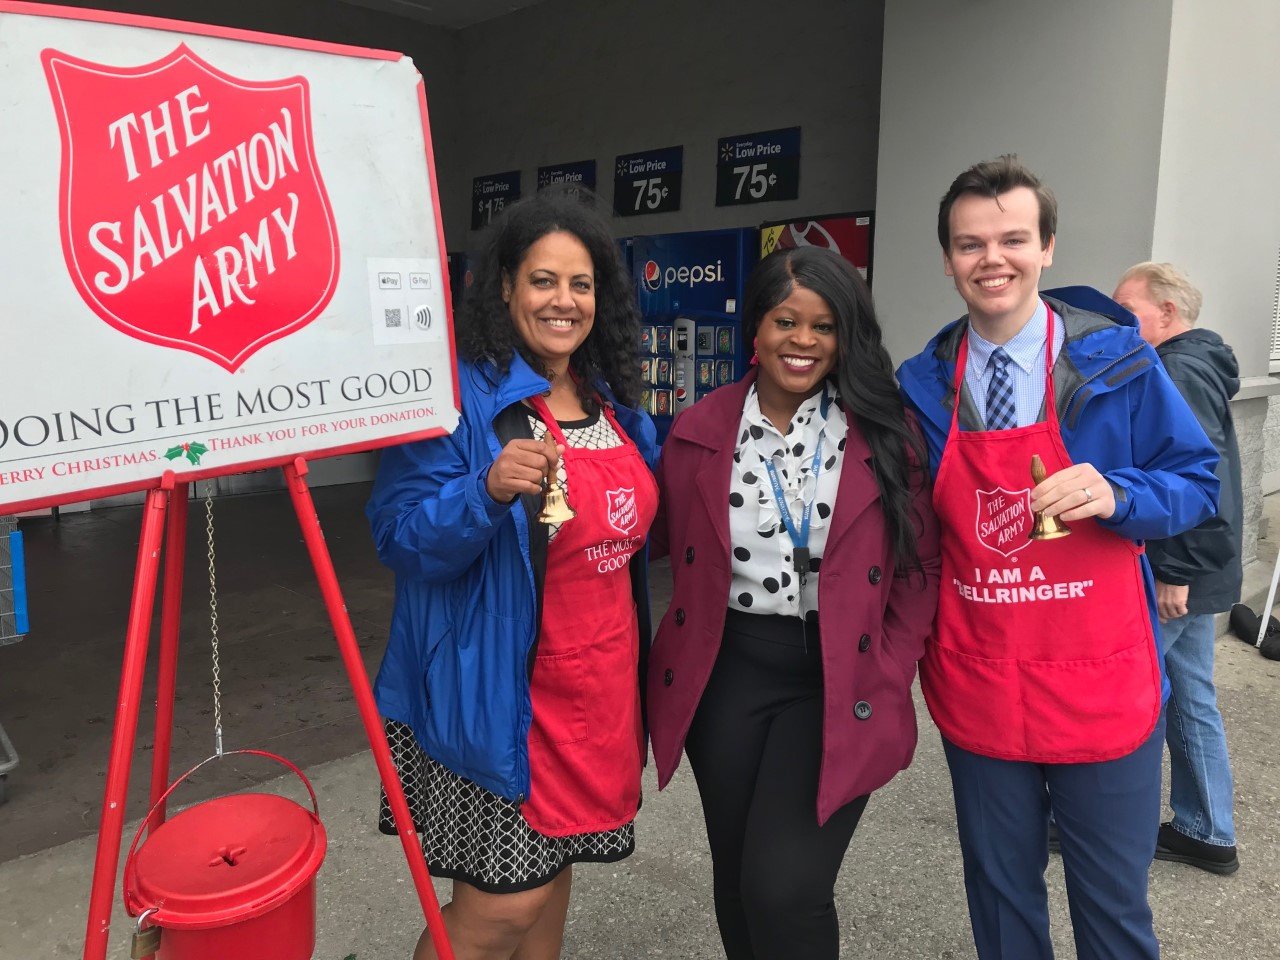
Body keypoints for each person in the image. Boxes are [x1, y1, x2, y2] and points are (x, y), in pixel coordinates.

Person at [896, 155, 1220, 960]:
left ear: (1046, 248)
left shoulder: (1122, 364)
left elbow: (1197, 480)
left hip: (1101, 678)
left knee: (1112, 908)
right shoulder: (921, 387)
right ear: (946, 259)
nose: (991, 259)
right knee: (1002, 902)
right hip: (982, 679)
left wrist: (1119, 495)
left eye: (1012, 239)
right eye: (970, 245)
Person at [367, 189, 659, 960]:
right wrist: (485, 492)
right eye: (543, 280)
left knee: (552, 883)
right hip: (499, 698)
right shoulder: (457, 399)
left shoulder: (611, 402)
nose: (564, 301)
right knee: (498, 911)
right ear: (504, 286)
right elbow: (397, 536)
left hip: (598, 693)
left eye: (582, 283)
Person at [647, 246, 941, 960]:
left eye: (824, 325)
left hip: (839, 675)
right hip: (728, 672)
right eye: (786, 321)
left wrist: (890, 665)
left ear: (846, 336)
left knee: (785, 886)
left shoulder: (884, 431)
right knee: (737, 879)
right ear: (757, 327)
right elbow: (653, 540)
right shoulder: (697, 430)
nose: (803, 341)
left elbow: (919, 567)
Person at [1114, 261, 1242, 874]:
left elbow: (1196, 479)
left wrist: (1177, 571)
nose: (1119, 318)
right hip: (1201, 568)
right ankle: (1208, 829)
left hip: (1182, 570)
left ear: (1166, 312)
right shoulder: (1200, 364)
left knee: (1123, 692)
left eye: (1128, 307)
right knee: (1191, 695)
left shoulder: (1177, 370)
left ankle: (1101, 818)